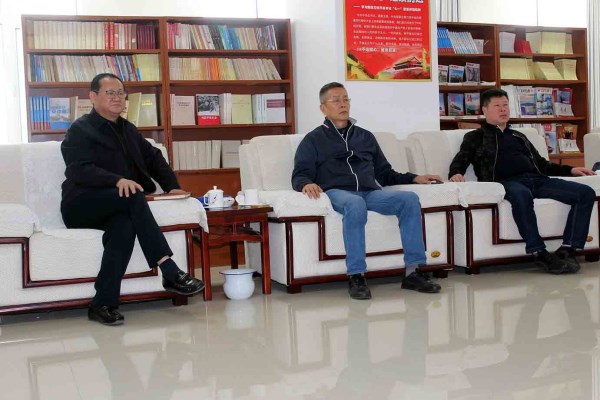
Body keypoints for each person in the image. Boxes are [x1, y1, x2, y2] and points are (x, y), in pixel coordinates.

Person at [60, 73, 204, 326]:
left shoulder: (128, 130)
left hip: (117, 205)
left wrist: (172, 187)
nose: (117, 98)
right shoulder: (79, 129)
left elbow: (154, 158)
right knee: (134, 194)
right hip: (82, 204)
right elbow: (78, 169)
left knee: (124, 228)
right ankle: (168, 269)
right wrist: (116, 180)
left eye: (120, 93)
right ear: (93, 96)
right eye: (109, 93)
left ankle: (102, 304)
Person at [292, 82, 444, 300]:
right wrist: (305, 183)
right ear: (323, 108)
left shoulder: (365, 137)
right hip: (337, 192)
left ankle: (413, 272)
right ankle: (356, 275)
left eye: (346, 99)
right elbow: (300, 173)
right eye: (336, 100)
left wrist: (414, 178)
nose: (343, 104)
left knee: (409, 199)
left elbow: (385, 174)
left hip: (370, 192)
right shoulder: (313, 139)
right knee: (355, 204)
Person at [448, 88, 596, 274]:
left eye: (505, 105)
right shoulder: (475, 137)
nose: (503, 109)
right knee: (521, 195)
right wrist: (456, 173)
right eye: (497, 106)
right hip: (505, 182)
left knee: (585, 193)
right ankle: (539, 252)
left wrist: (571, 170)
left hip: (537, 180)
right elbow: (460, 159)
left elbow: (542, 164)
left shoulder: (519, 136)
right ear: (484, 110)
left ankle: (568, 249)